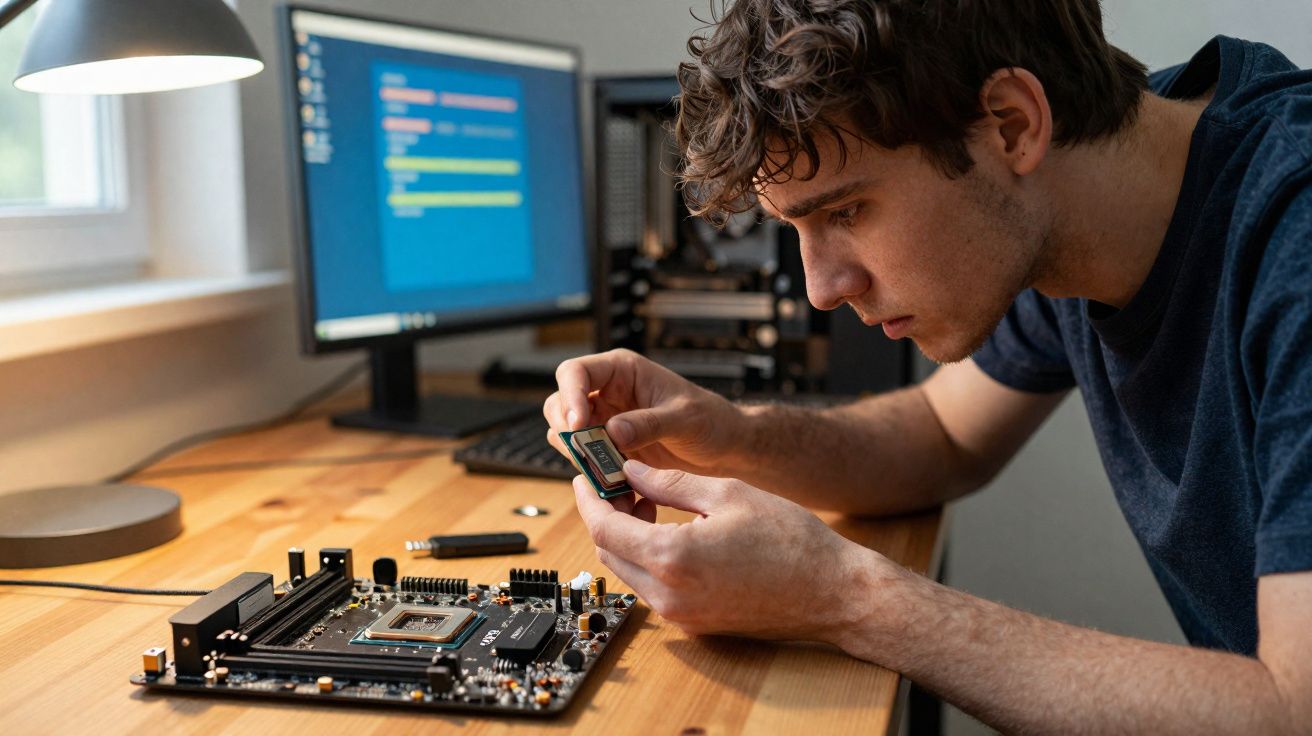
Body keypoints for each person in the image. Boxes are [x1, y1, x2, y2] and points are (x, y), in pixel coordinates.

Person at [544, 0, 1312, 731]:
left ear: (1012, 125)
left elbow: (1295, 711)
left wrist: (841, 597)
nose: (821, 289)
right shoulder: (1087, 193)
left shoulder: (1294, 238)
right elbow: (944, 433)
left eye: (845, 212)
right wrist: (729, 434)